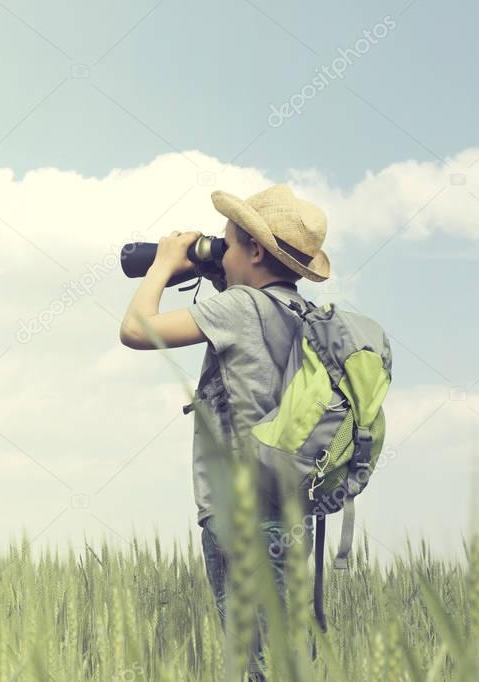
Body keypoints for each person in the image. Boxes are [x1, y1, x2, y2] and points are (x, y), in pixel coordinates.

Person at [118, 183, 332, 679]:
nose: (222, 248)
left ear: (256, 250)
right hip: (290, 513)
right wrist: (221, 270)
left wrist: (164, 264)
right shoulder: (306, 316)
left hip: (238, 519)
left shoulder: (238, 310)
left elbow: (135, 329)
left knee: (257, 666)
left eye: (229, 242)